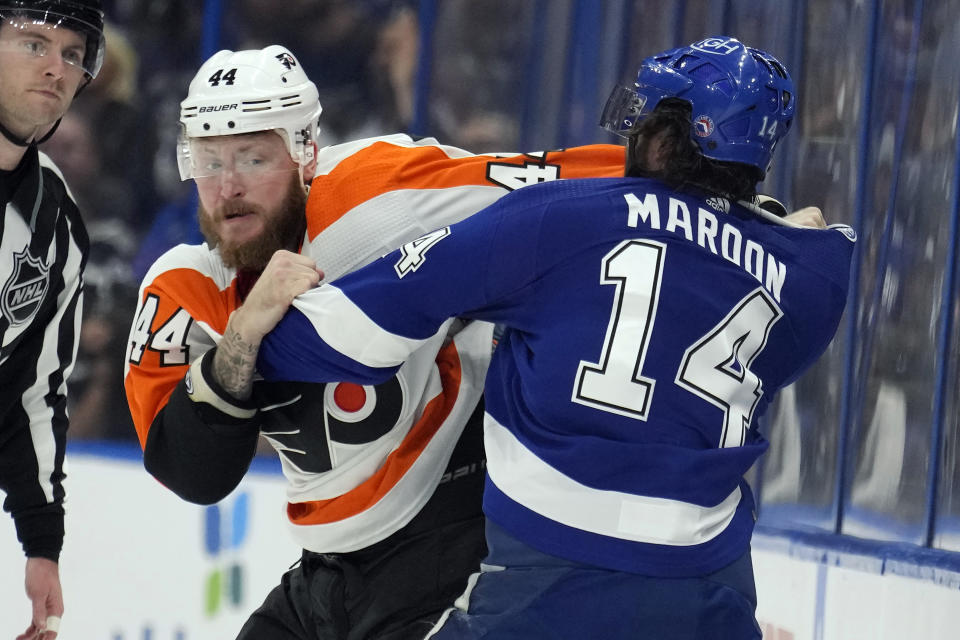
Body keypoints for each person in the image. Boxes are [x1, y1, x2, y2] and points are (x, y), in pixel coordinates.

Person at [254, 36, 857, 639]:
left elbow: (361, 323)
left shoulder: (559, 215)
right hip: (708, 598)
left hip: (547, 590)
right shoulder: (812, 277)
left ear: (667, 138)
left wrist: (251, 350)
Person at [122, 44, 625, 639]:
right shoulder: (184, 286)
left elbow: (562, 177)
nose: (228, 186)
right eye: (208, 162)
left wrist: (708, 188)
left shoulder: (380, 193)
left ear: (305, 152)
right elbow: (191, 474)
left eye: (253, 158)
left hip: (448, 547)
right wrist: (241, 336)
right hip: (323, 571)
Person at [0, 1, 105, 638]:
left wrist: (42, 545)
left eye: (72, 55)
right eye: (35, 43)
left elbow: (31, 392)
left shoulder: (56, 224)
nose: (56, 69)